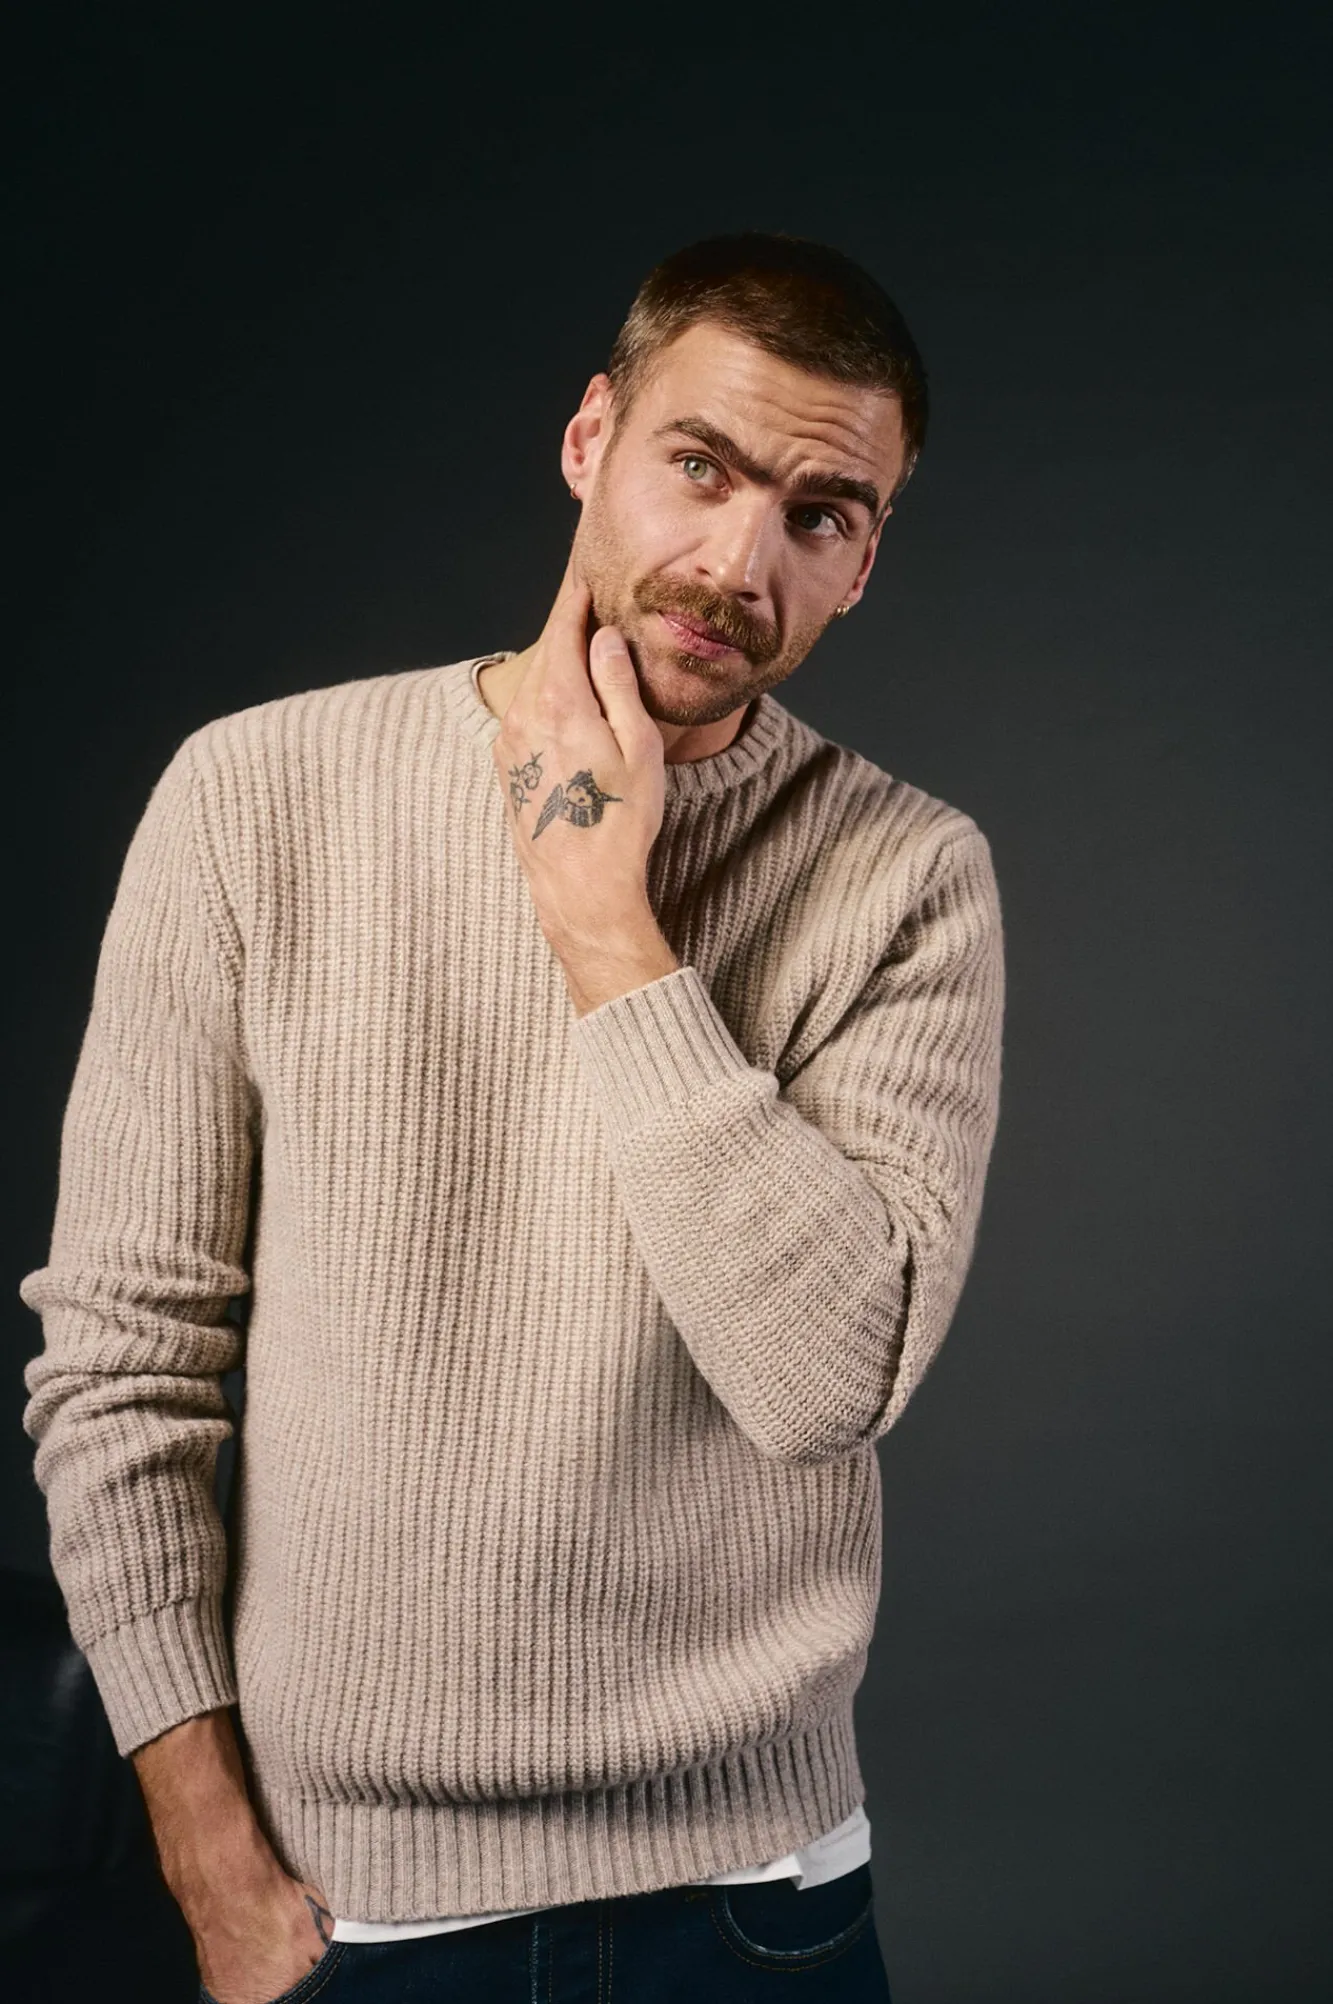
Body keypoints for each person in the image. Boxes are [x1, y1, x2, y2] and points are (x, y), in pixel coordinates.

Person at [19, 231, 1006, 2003]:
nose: (739, 562)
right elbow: (121, 1365)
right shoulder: (254, 798)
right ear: (589, 439)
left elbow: (824, 1381)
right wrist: (205, 1854)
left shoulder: (909, 878)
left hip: (752, 1905)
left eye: (818, 514)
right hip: (348, 1912)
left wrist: (606, 924)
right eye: (698, 466)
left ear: (864, 562)